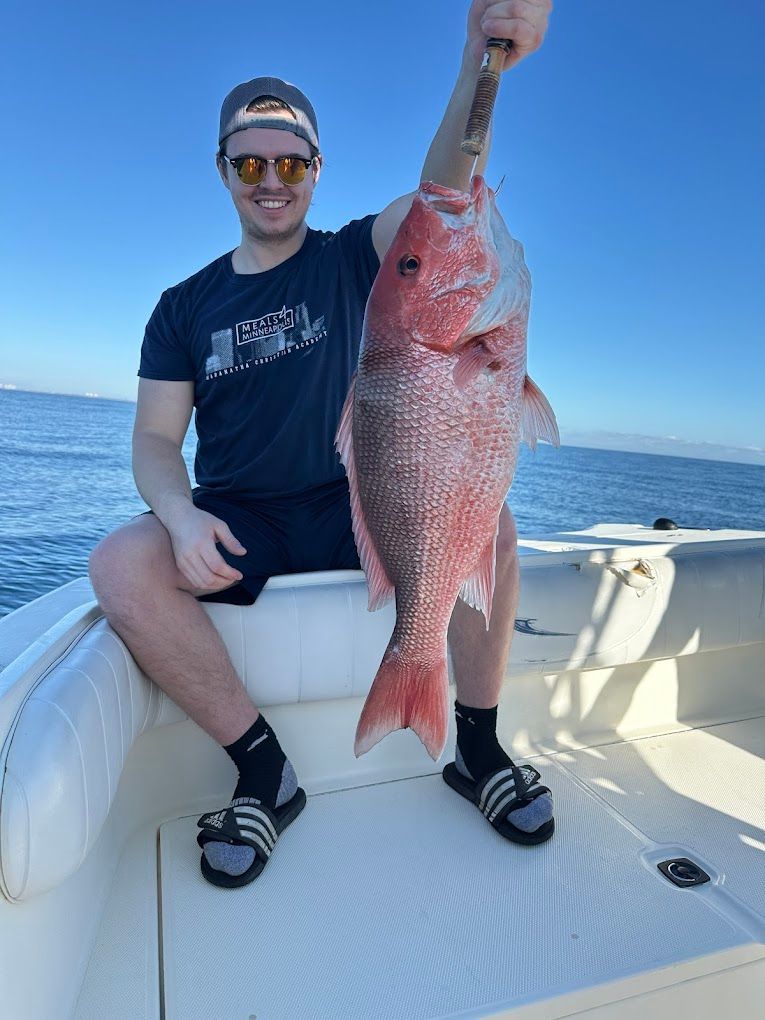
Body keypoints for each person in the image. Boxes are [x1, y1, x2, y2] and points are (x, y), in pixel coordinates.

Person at [89, 0, 555, 888]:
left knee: (488, 524)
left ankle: (479, 749)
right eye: (251, 160)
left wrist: (480, 63)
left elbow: (443, 192)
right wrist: (180, 517)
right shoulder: (183, 305)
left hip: (360, 500)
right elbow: (154, 439)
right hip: (241, 515)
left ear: (315, 168)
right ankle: (264, 772)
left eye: (291, 161)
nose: (273, 178)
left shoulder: (353, 256)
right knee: (119, 564)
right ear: (224, 169)